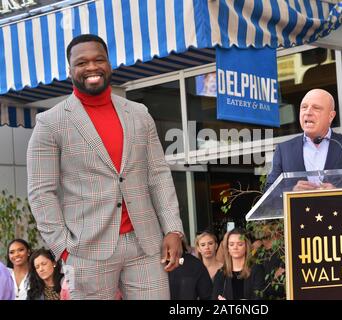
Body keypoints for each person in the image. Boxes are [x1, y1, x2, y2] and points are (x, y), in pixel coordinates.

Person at [27, 34, 184, 300]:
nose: (91, 67)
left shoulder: (139, 113)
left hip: (145, 243)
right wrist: (64, 247)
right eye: (82, 62)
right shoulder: (49, 123)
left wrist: (173, 228)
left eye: (99, 59)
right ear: (70, 70)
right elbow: (41, 192)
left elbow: (158, 174)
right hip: (86, 249)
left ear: (109, 64)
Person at [266, 89, 342, 191]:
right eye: (304, 107)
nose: (308, 112)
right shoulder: (284, 150)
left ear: (331, 116)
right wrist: (292, 191)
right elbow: (269, 192)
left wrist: (339, 193)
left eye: (316, 108)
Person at [211, 228, 265, 300]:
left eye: (240, 244)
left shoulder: (256, 270)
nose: (235, 247)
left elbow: (260, 298)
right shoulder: (221, 273)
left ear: (246, 246)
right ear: (227, 248)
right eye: (231, 244)